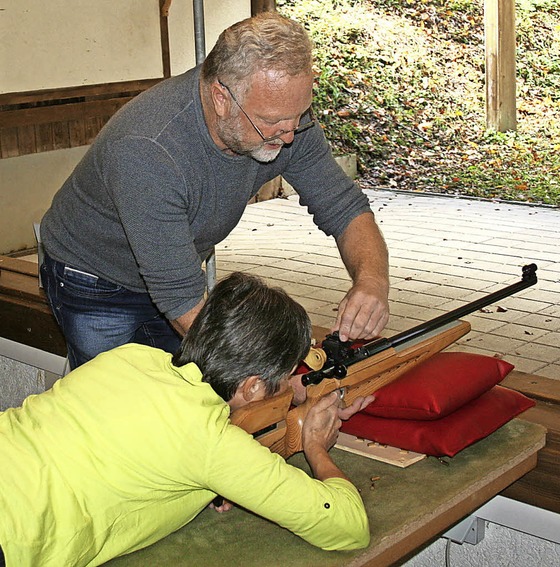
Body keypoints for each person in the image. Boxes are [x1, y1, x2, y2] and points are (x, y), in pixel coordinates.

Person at [39, 12, 390, 370]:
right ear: (221, 97)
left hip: (174, 266)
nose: (288, 136)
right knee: (115, 400)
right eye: (271, 122)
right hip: (93, 278)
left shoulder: (285, 120)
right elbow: (181, 299)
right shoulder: (148, 148)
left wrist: (372, 281)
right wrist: (270, 374)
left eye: (297, 116)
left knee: (186, 389)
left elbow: (345, 208)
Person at [0, 272, 374, 567]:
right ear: (254, 387)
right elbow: (347, 527)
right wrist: (315, 445)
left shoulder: (130, 357)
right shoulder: (209, 445)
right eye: (286, 373)